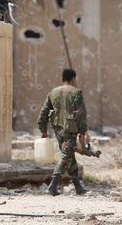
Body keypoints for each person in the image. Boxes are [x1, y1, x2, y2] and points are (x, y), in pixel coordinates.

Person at [37, 68, 88, 196]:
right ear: (73, 79)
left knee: (68, 154)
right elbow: (82, 115)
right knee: (66, 156)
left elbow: (43, 113)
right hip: (70, 130)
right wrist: (82, 134)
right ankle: (53, 185)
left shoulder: (53, 92)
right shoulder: (76, 93)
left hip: (57, 129)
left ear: (62, 79)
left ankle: (78, 187)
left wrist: (43, 130)